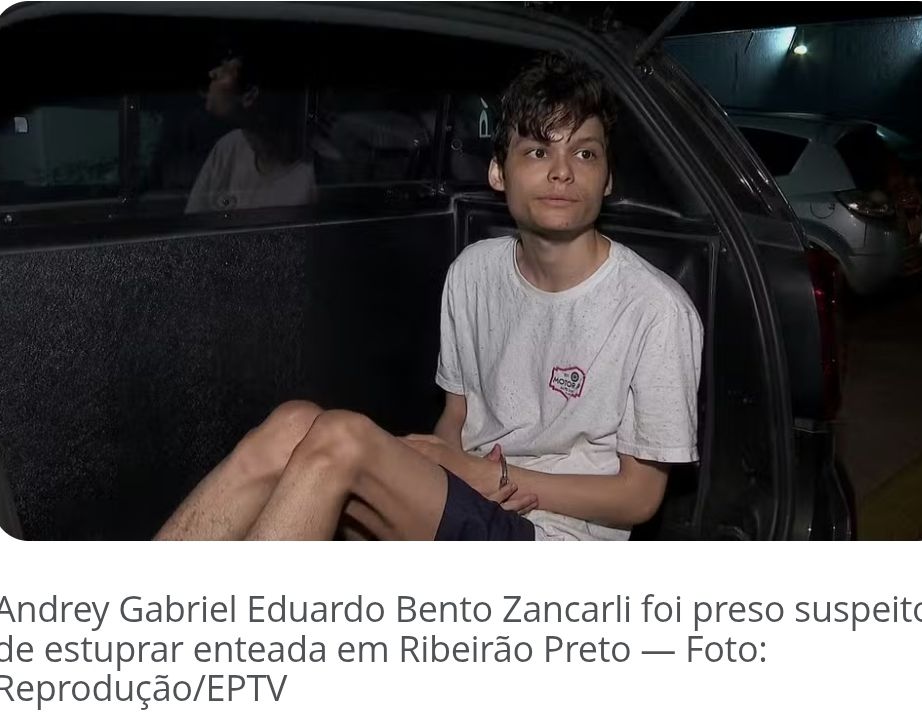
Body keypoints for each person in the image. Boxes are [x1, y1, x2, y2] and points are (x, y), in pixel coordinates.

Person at [156, 52, 703, 541]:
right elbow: (456, 418)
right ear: (498, 172)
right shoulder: (473, 272)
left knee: (342, 439)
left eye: (585, 154)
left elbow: (640, 497)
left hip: (555, 536)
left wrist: (492, 475)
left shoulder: (655, 309)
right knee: (293, 423)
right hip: (469, 496)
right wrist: (439, 467)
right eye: (538, 151)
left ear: (607, 179)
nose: (562, 171)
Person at [184, 49, 316, 214]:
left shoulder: (312, 177)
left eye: (227, 69)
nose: (213, 73)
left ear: (250, 96)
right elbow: (194, 221)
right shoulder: (227, 148)